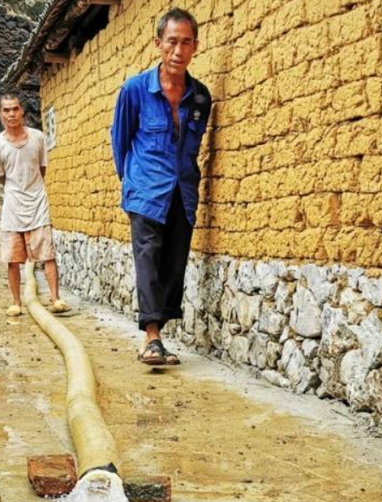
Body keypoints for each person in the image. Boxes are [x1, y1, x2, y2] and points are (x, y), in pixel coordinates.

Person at [111, 8, 212, 366]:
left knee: (173, 263)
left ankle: (158, 337)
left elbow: (194, 147)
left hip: (182, 191)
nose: (178, 50)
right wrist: (133, 184)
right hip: (145, 191)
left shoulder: (201, 97)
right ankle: (151, 337)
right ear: (158, 43)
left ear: (195, 46)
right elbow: (120, 140)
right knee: (149, 257)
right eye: (172, 41)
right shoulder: (135, 90)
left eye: (186, 42)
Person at [0, 92, 70, 317]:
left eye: (15, 109)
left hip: (37, 202)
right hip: (13, 206)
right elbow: (0, 176)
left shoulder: (38, 138)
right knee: (12, 258)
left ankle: (56, 298)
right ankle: (16, 301)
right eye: (6, 110)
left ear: (22, 110)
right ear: (1, 113)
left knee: (47, 254)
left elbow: (42, 169)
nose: (11, 114)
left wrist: (32, 189)